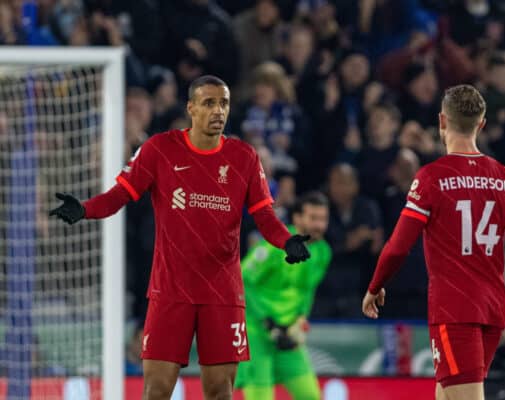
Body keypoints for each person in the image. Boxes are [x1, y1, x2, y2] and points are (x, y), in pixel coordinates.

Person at [49, 75, 311, 400]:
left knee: (220, 391)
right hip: (171, 290)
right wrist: (85, 209)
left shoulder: (244, 157)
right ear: (191, 107)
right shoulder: (160, 149)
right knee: (156, 390)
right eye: (209, 103)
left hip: (222, 293)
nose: (218, 111)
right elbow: (121, 194)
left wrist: (286, 240)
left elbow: (264, 215)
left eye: (224, 103)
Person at [362, 84, 505, 400]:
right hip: (494, 309)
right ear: (481, 124)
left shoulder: (431, 177)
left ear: (442, 121)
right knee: (446, 394)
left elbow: (399, 245)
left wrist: (376, 286)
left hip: (454, 309)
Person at [235, 191, 331, 400]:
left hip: (288, 333)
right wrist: (267, 323)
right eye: (313, 218)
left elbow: (307, 290)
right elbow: (241, 282)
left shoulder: (323, 251)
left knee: (311, 396)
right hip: (255, 333)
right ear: (297, 218)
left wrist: (301, 319)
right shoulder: (274, 245)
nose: (319, 225)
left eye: (323, 219)